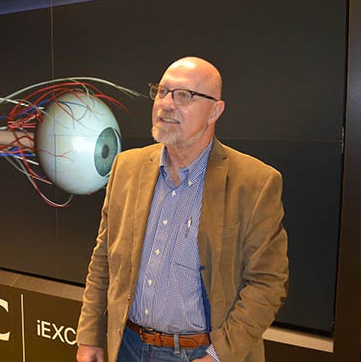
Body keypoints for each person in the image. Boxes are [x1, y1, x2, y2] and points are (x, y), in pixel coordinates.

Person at [75, 57, 289, 362]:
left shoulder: (255, 183)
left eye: (184, 96)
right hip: (126, 348)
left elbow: (268, 283)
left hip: (199, 354)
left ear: (215, 111)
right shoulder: (126, 167)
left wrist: (218, 356)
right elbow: (103, 260)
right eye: (162, 92)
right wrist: (90, 336)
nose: (166, 104)